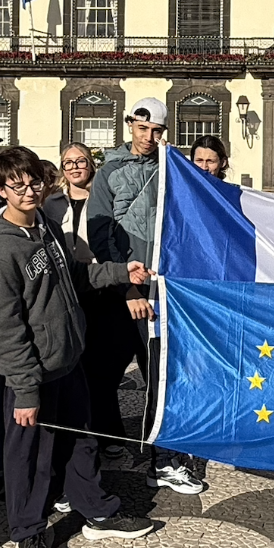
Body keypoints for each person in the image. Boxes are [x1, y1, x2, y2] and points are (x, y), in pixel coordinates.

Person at [0, 146, 156, 548]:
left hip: (68, 360)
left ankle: (96, 509)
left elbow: (75, 276)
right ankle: (28, 531)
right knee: (30, 456)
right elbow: (4, 327)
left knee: (83, 441)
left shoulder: (44, 226)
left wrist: (119, 272)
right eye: (17, 185)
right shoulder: (1, 250)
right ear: (2, 189)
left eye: (34, 181)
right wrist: (25, 389)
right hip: (34, 374)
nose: (28, 191)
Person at [88, 97, 207, 495]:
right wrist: (127, 287)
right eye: (142, 129)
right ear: (129, 126)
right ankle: (109, 445)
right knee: (105, 375)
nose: (149, 138)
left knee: (162, 376)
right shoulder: (109, 172)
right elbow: (100, 235)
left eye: (156, 131)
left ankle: (165, 459)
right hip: (125, 291)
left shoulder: (174, 168)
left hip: (164, 291)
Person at [51, 142, 140, 468]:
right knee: (82, 372)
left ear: (92, 164)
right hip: (74, 296)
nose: (75, 167)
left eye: (81, 161)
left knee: (106, 372)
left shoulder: (109, 200)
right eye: (68, 163)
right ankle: (91, 441)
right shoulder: (52, 206)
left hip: (110, 292)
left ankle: (110, 439)